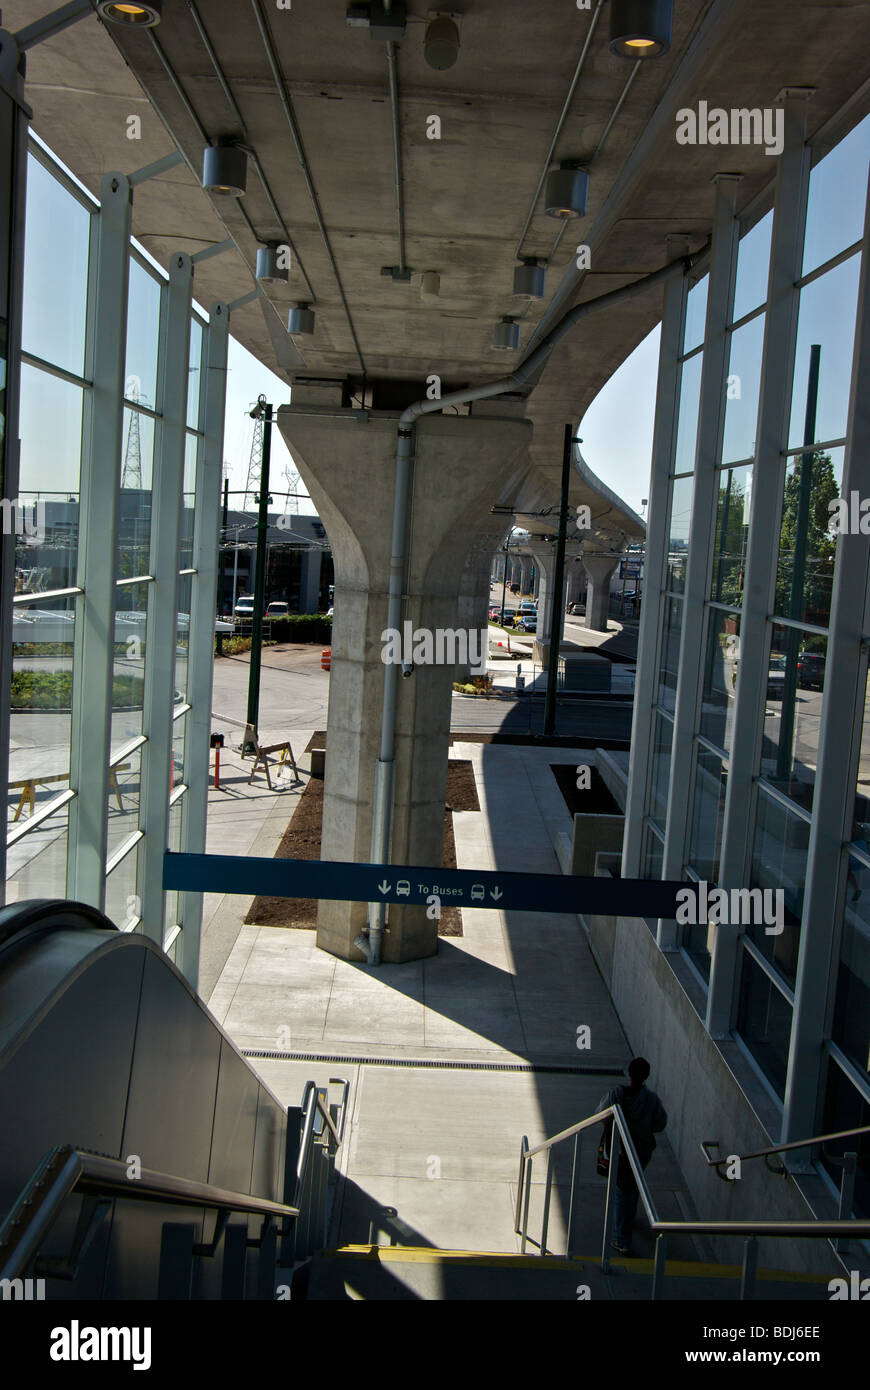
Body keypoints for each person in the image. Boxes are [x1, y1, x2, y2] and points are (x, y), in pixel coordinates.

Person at [598, 1057, 667, 1256]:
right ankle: (631, 1218)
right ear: (646, 1076)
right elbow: (660, 1124)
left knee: (622, 1191)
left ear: (629, 1073)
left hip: (621, 1150)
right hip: (643, 1151)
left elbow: (600, 1115)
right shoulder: (651, 1099)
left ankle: (622, 1239)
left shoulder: (616, 1094)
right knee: (634, 1184)